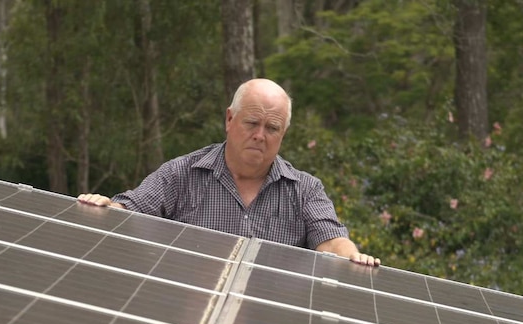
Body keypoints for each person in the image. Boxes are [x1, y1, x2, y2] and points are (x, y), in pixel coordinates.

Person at [78, 78, 380, 266]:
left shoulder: (305, 190)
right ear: (229, 119)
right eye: (251, 123)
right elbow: (131, 209)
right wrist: (106, 207)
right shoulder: (182, 175)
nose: (260, 135)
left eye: (272, 128)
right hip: (185, 316)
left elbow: (330, 241)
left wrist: (351, 257)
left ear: (283, 134)